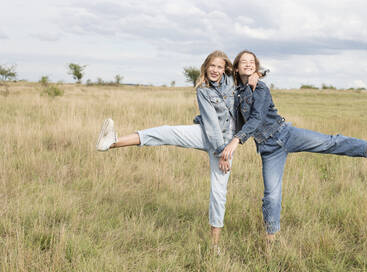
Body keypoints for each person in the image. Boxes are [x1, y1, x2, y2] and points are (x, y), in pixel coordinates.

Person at [220, 50, 367, 243]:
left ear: (256, 66)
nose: (248, 64)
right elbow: (231, 117)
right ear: (236, 68)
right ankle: (270, 241)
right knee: (271, 194)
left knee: (330, 142)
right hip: (268, 149)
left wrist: (236, 140)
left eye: (252, 62)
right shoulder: (236, 93)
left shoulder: (261, 88)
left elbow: (255, 118)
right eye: (243, 62)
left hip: (285, 134)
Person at [95, 50, 262, 251]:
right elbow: (210, 125)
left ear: (224, 68)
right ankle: (112, 142)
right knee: (166, 132)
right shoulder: (203, 91)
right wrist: (220, 152)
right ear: (206, 67)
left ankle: (214, 246)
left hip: (227, 143)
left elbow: (246, 72)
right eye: (212, 66)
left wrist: (257, 75)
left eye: (219, 66)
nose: (215, 70)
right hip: (209, 136)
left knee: (218, 193)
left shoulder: (230, 80)